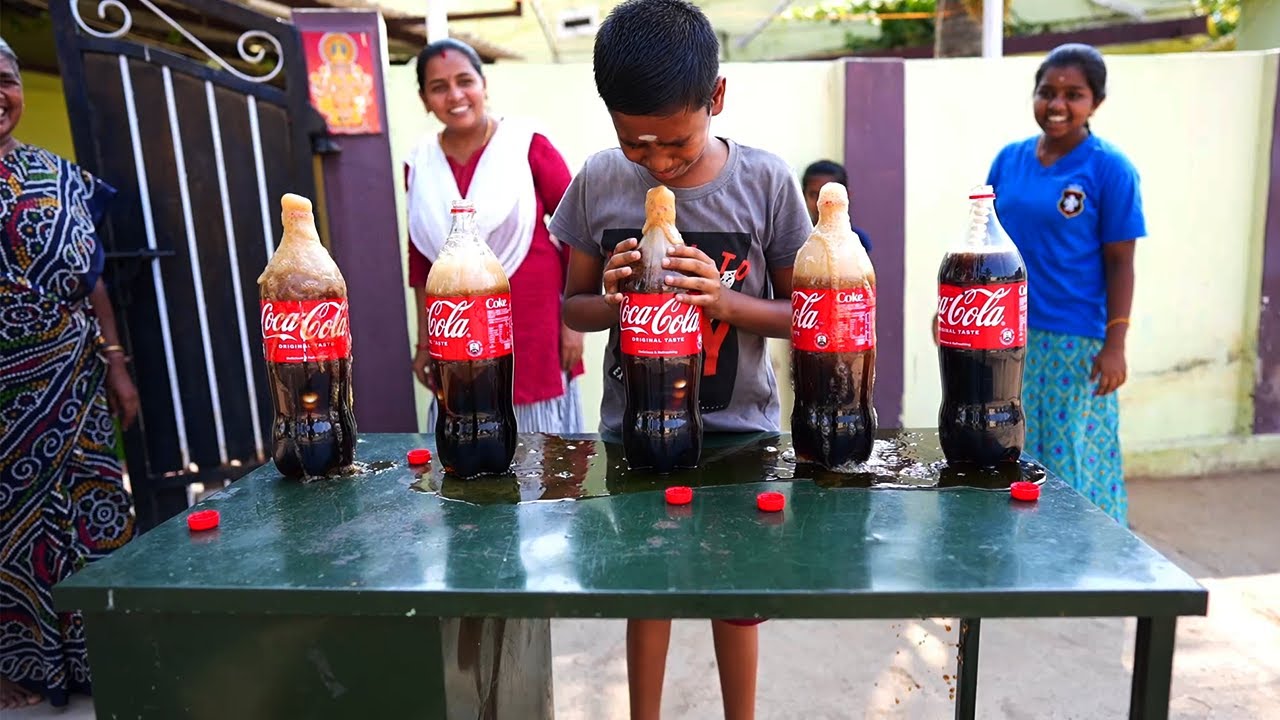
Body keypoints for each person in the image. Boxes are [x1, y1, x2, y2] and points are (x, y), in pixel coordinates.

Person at [550, 1, 812, 717]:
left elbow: (802, 315)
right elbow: (571, 308)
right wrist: (610, 299)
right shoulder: (599, 180)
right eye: (637, 146)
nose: (657, 163)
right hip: (633, 431)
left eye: (677, 145)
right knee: (649, 586)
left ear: (716, 99)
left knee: (737, 595)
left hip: (738, 432)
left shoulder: (766, 183)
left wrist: (726, 304)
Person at [0, 38, 139, 709]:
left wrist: (116, 363)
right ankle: (21, 669)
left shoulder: (60, 176)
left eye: (5, 80)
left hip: (75, 376)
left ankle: (109, 655)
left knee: (94, 513)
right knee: (9, 530)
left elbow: (93, 280)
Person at [984, 43, 1145, 525]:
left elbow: (1121, 262)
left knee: (1065, 454)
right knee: (1005, 447)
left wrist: (1115, 344)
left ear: (1095, 102)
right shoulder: (1009, 161)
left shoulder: (1109, 168)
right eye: (1046, 92)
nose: (1056, 105)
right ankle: (1014, 552)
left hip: (1072, 339)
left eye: (1073, 94)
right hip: (1003, 335)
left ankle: (1077, 557)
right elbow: (985, 242)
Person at [405, 38, 586, 433]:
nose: (455, 95)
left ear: (484, 85)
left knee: (543, 456)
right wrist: (423, 343)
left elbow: (578, 231)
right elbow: (422, 261)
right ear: (424, 99)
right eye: (439, 87)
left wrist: (572, 325)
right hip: (453, 324)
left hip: (533, 322)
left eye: (464, 81)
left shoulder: (527, 144)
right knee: (465, 432)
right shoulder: (419, 163)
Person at [801, 159, 873, 253]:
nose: (820, 202)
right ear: (803, 196)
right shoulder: (798, 239)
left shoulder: (858, 241)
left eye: (829, 196)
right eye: (814, 195)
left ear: (846, 197)